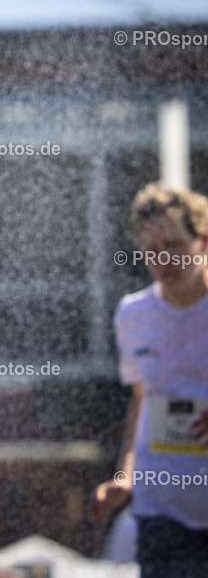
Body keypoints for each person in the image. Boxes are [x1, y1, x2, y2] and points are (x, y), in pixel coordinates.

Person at [89, 182, 208, 577]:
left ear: (203, 241)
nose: (164, 259)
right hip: (162, 506)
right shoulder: (132, 315)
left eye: (174, 244)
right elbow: (142, 400)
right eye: (152, 249)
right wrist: (125, 476)